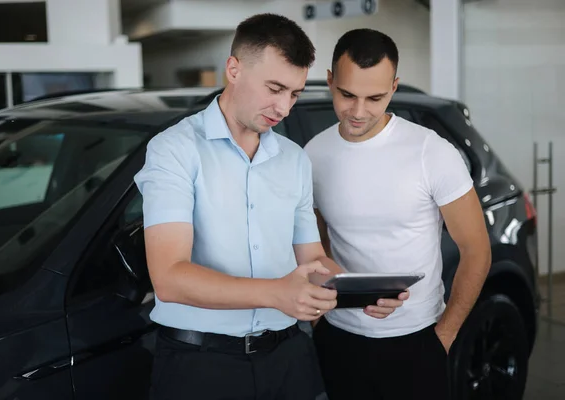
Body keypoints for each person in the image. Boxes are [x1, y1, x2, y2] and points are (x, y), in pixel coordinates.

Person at [134, 15, 406, 400]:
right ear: (233, 69)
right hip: (200, 365)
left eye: (294, 94)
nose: (283, 107)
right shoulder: (174, 150)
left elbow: (311, 258)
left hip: (289, 357)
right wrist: (277, 293)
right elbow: (169, 277)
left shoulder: (294, 159)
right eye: (275, 88)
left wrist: (359, 291)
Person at [304, 28, 492, 400]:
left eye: (374, 97)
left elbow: (476, 249)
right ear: (330, 81)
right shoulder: (313, 154)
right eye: (346, 95)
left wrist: (445, 334)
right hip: (338, 338)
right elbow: (318, 247)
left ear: (394, 87)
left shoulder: (431, 153)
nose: (358, 111)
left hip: (418, 340)